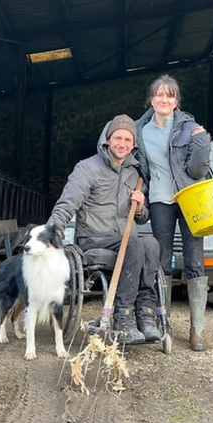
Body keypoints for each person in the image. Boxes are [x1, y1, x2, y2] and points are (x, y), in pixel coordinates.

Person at [47, 114, 161, 344]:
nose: (122, 144)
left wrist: (140, 208)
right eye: (118, 138)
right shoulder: (87, 168)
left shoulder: (134, 173)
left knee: (152, 243)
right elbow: (68, 201)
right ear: (107, 140)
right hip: (93, 238)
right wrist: (54, 228)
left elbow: (142, 218)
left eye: (128, 140)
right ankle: (124, 314)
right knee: (136, 243)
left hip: (126, 239)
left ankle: (146, 312)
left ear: (133, 144)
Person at [136, 75, 211, 351]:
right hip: (159, 200)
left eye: (169, 96)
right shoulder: (140, 130)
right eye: (159, 95)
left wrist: (202, 144)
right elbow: (140, 167)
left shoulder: (190, 127)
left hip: (190, 199)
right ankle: (163, 323)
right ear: (152, 99)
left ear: (176, 101)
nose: (164, 100)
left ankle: (197, 330)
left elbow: (197, 171)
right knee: (161, 259)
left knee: (194, 261)